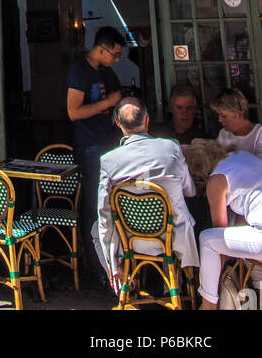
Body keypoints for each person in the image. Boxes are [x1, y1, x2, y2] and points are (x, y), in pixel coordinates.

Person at [95, 95, 198, 291]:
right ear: (147, 120)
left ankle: (125, 283)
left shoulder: (108, 160)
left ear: (117, 124)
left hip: (132, 240)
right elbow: (190, 190)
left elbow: (104, 213)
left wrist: (113, 264)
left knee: (96, 229)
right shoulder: (172, 147)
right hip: (173, 237)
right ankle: (179, 284)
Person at [66, 26, 124, 283]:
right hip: (90, 146)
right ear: (101, 49)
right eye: (114, 54)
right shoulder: (80, 71)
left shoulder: (106, 71)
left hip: (108, 142)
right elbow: (73, 112)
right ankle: (98, 267)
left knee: (110, 204)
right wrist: (107, 104)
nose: (117, 59)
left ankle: (113, 262)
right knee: (94, 205)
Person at [187, 140, 262, 309]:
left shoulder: (217, 181)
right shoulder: (241, 156)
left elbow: (220, 235)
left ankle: (208, 305)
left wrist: (216, 277)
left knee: (208, 240)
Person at [210, 88, 262, 158]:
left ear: (239, 115)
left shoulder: (259, 134)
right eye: (218, 115)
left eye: (223, 116)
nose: (219, 119)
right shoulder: (223, 134)